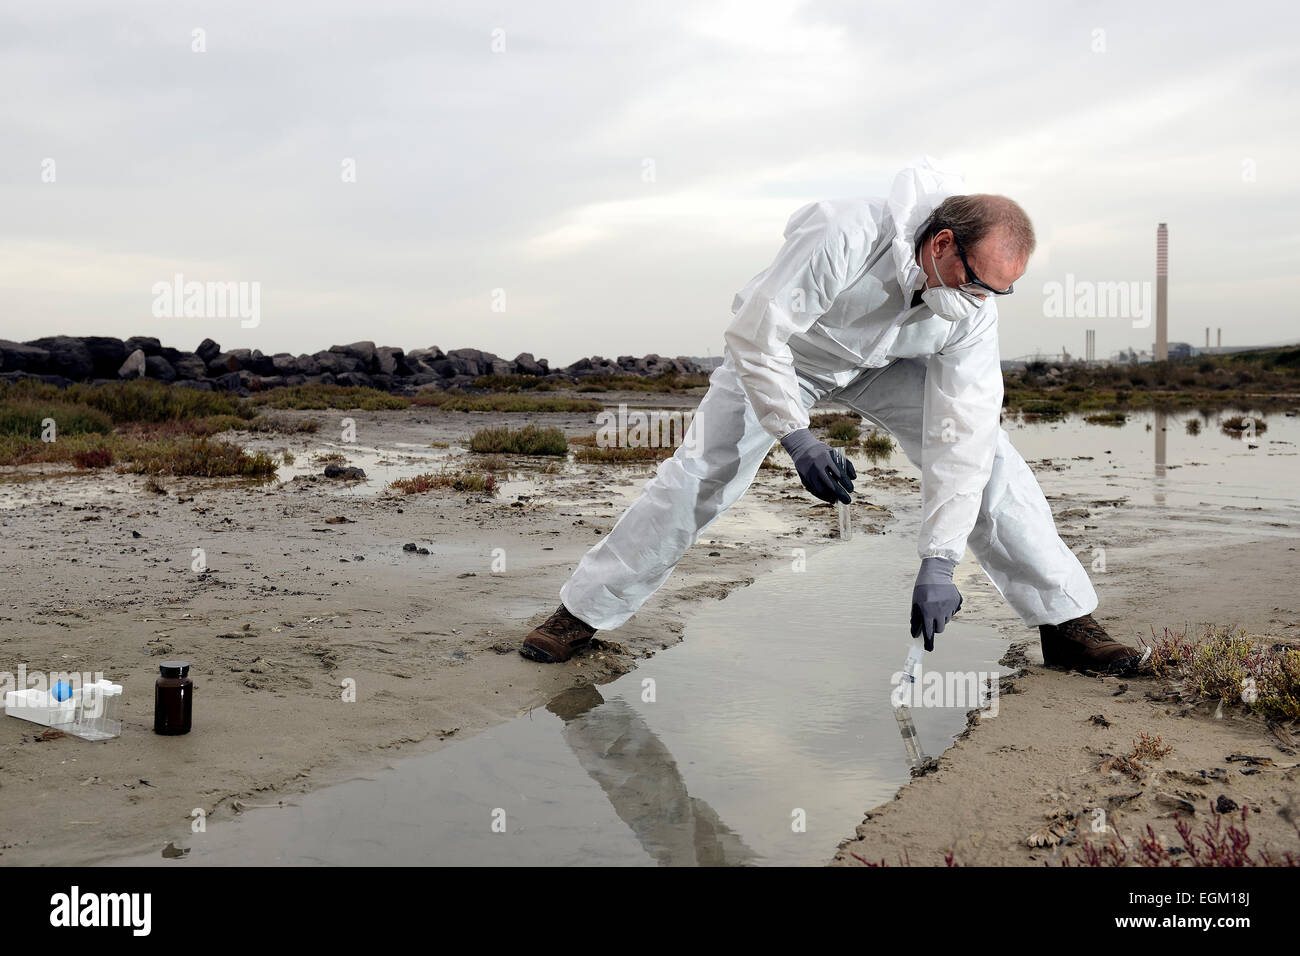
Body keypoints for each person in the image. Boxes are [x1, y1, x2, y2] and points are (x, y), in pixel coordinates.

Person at [519, 156, 1147, 675]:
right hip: (786, 354)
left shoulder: (972, 311)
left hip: (886, 365)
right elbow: (756, 333)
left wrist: (940, 560)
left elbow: (965, 435)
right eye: (975, 281)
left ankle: (1066, 626)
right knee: (701, 474)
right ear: (944, 242)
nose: (979, 300)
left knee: (996, 468)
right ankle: (579, 615)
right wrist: (797, 436)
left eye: (996, 293)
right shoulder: (844, 232)